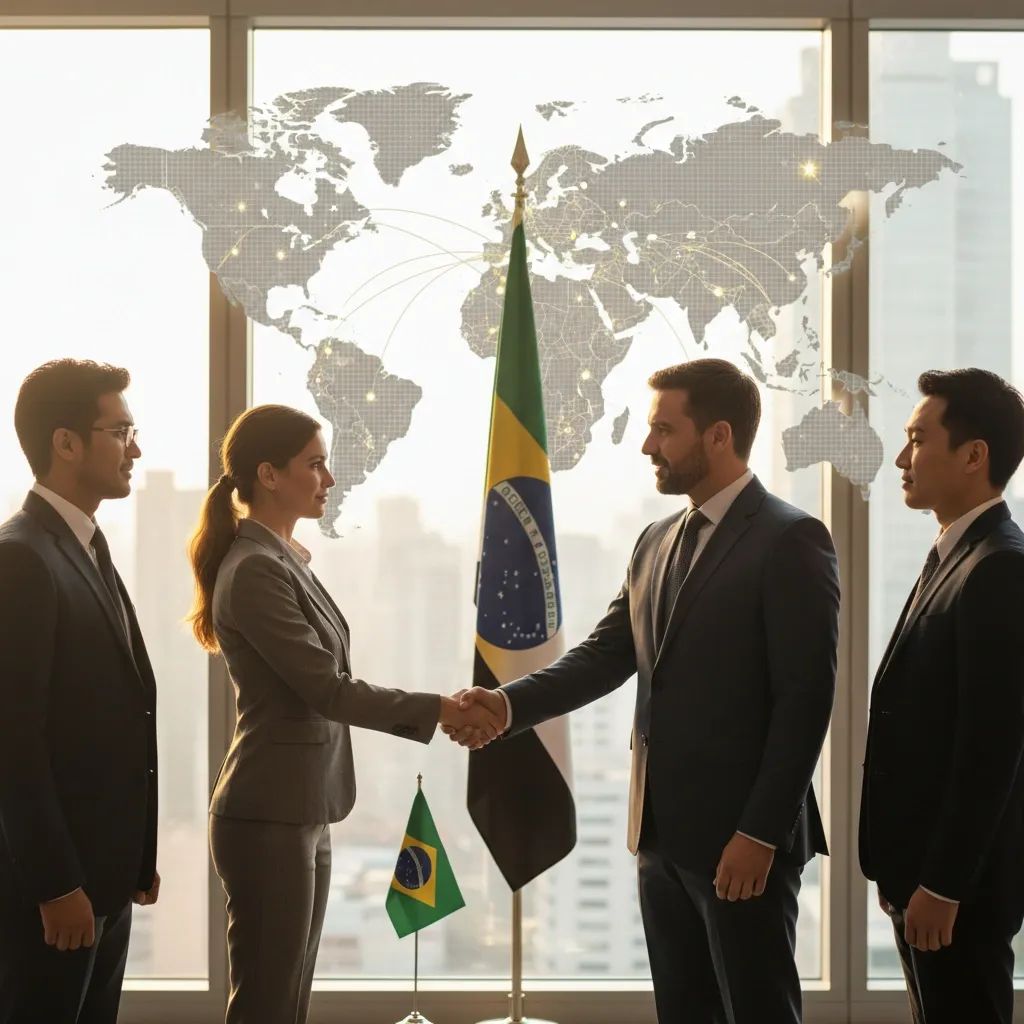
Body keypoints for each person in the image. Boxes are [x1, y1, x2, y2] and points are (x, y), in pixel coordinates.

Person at [454, 358, 839, 1023]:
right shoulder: (654, 541)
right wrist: (508, 704)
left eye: (664, 429)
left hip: (743, 843)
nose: (646, 445)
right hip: (659, 838)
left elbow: (806, 701)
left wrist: (760, 833)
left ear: (718, 435)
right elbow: (604, 657)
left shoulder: (791, 539)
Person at [188, 404, 499, 1024]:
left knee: (289, 998)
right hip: (268, 812)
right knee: (267, 1003)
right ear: (269, 475)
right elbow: (327, 690)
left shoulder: (282, 559)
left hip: (304, 806)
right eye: (315, 464)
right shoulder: (254, 570)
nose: (328, 479)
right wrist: (439, 709)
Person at [859, 368, 1024, 1024]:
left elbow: (992, 748)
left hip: (959, 892)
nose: (902, 458)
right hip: (921, 878)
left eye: (918, 439)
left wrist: (943, 885)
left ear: (974, 455)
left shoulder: (1000, 567)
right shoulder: (958, 554)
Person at [0, 359, 160, 1024]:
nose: (135, 449)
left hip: (104, 883)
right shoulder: (21, 556)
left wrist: (137, 858)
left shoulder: (88, 546)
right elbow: (13, 741)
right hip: (55, 893)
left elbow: (122, 710)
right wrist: (56, 883)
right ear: (65, 442)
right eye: (120, 432)